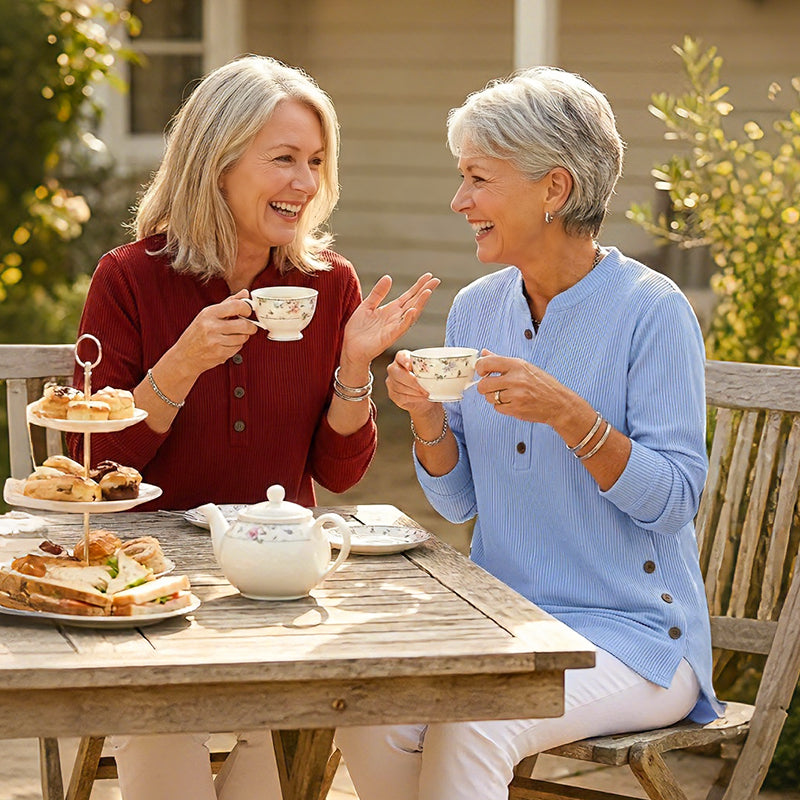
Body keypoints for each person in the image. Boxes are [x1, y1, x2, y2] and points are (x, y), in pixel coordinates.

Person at [334, 67, 723, 800]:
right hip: (508, 624)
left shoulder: (653, 311)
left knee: (472, 727)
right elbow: (457, 505)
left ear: (555, 188)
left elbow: (673, 501)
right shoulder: (478, 309)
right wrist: (424, 419)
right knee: (370, 712)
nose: (460, 202)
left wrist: (573, 416)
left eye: (479, 178)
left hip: (636, 638)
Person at [66, 55, 438, 800]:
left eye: (315, 161)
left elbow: (338, 473)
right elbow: (93, 461)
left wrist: (356, 366)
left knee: (316, 714)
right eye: (283, 160)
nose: (304, 182)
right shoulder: (130, 278)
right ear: (217, 164)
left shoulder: (327, 284)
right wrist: (181, 365)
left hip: (277, 583)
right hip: (150, 585)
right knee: (160, 722)